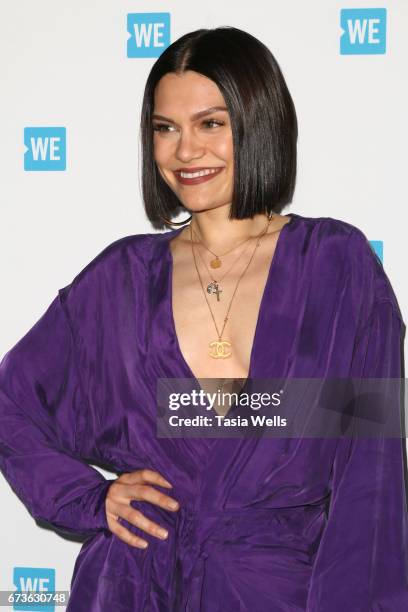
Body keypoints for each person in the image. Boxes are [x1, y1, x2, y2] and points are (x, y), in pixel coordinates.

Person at [1, 26, 407, 611]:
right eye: (165, 129)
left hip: (278, 592)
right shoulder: (121, 279)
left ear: (258, 122)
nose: (184, 151)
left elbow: (371, 481)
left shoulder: (338, 269)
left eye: (210, 124)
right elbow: (11, 401)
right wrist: (90, 498)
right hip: (136, 589)